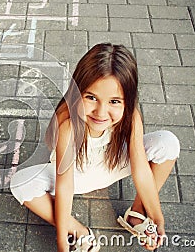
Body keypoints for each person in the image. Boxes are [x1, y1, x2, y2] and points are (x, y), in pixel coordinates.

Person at [10, 43, 180, 252]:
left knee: (168, 142)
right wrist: (63, 241)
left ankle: (137, 214)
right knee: (20, 183)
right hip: (77, 176)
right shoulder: (69, 124)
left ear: (128, 100)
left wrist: (157, 217)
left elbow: (140, 168)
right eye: (91, 97)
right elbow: (65, 186)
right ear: (77, 91)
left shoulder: (131, 116)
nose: (101, 112)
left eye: (114, 101)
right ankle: (80, 232)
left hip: (111, 163)